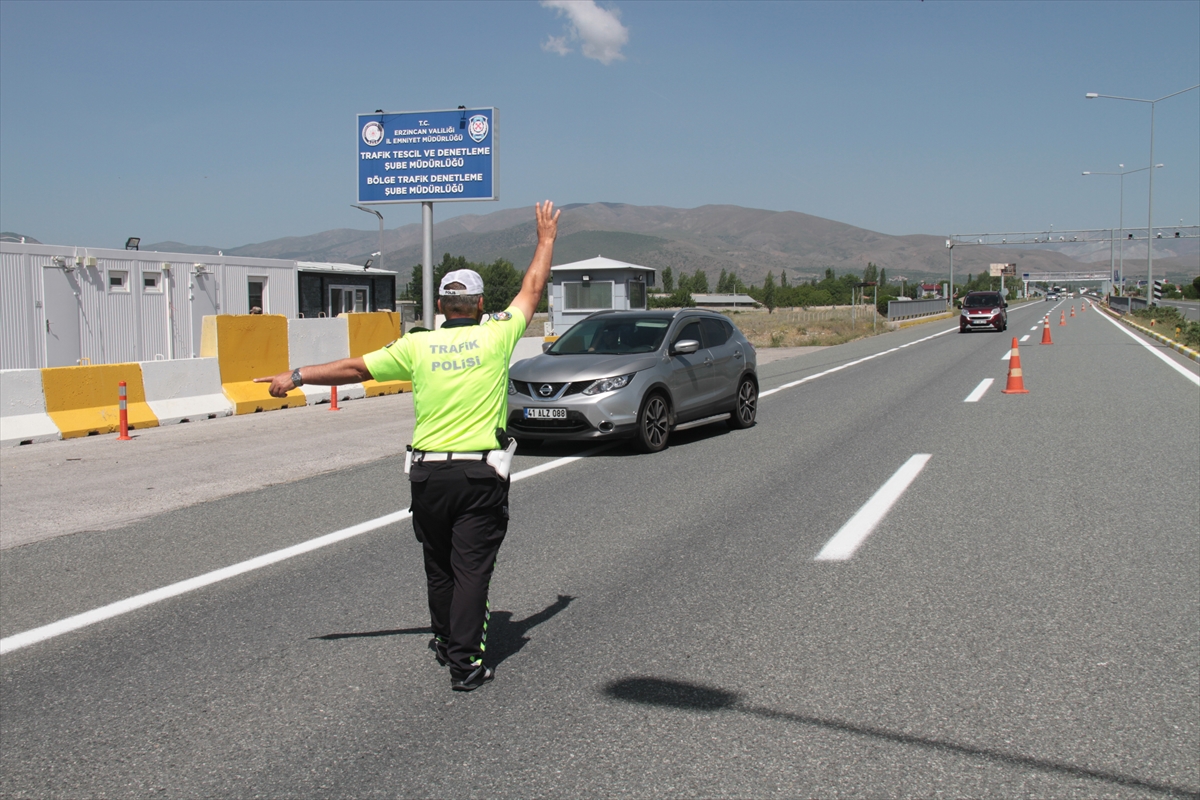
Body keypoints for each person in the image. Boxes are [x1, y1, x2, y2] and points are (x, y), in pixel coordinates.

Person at [255, 200, 560, 691]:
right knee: (471, 571)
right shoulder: (497, 336)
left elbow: (355, 368)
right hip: (479, 476)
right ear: (481, 305)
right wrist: (544, 240)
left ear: (441, 306)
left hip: (426, 476)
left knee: (439, 565)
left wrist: (296, 375)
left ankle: (444, 640)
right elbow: (531, 288)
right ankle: (466, 662)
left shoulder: (416, 345)